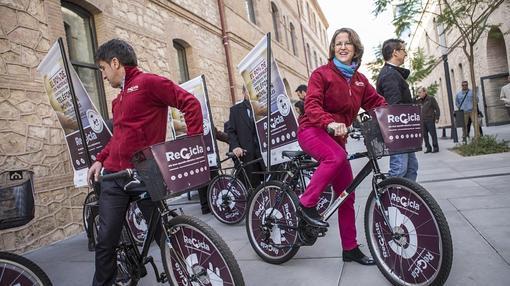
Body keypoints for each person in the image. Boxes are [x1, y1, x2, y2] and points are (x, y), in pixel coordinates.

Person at [87, 39, 203, 286]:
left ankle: (189, 275)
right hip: (114, 177)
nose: (104, 77)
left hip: (146, 172)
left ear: (115, 62)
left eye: (103, 69)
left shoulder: (149, 83)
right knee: (106, 241)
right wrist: (100, 160)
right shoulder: (117, 101)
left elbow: (190, 104)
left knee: (164, 233)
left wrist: (192, 143)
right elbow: (118, 138)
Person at [298, 27, 387, 265]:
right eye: (338, 43)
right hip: (313, 130)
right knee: (335, 157)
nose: (343, 47)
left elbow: (377, 102)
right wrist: (329, 123)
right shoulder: (322, 74)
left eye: (347, 43)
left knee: (346, 195)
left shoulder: (359, 80)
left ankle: (350, 248)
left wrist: (396, 115)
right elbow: (312, 106)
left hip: (338, 137)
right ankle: (306, 203)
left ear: (355, 48)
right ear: (333, 48)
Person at [376, 38, 418, 181]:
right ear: (395, 52)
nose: (405, 54)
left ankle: (407, 200)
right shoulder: (389, 74)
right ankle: (389, 200)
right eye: (404, 50)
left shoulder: (393, 73)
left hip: (403, 130)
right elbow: (394, 106)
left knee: (411, 168)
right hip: (397, 130)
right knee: (399, 169)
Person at [226, 86, 264, 188]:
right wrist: (235, 146)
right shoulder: (235, 110)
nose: (252, 93)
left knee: (269, 184)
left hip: (263, 153)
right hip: (247, 155)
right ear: (244, 92)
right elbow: (231, 131)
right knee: (250, 187)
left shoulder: (263, 107)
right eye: (249, 90)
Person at [416, 87, 440, 153]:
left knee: (433, 134)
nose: (419, 94)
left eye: (420, 92)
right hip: (422, 121)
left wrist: (437, 118)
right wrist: (416, 96)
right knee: (425, 135)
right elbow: (412, 102)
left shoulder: (431, 99)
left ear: (425, 92)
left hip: (430, 119)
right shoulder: (419, 100)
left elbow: (437, 108)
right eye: (418, 93)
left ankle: (435, 147)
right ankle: (428, 148)